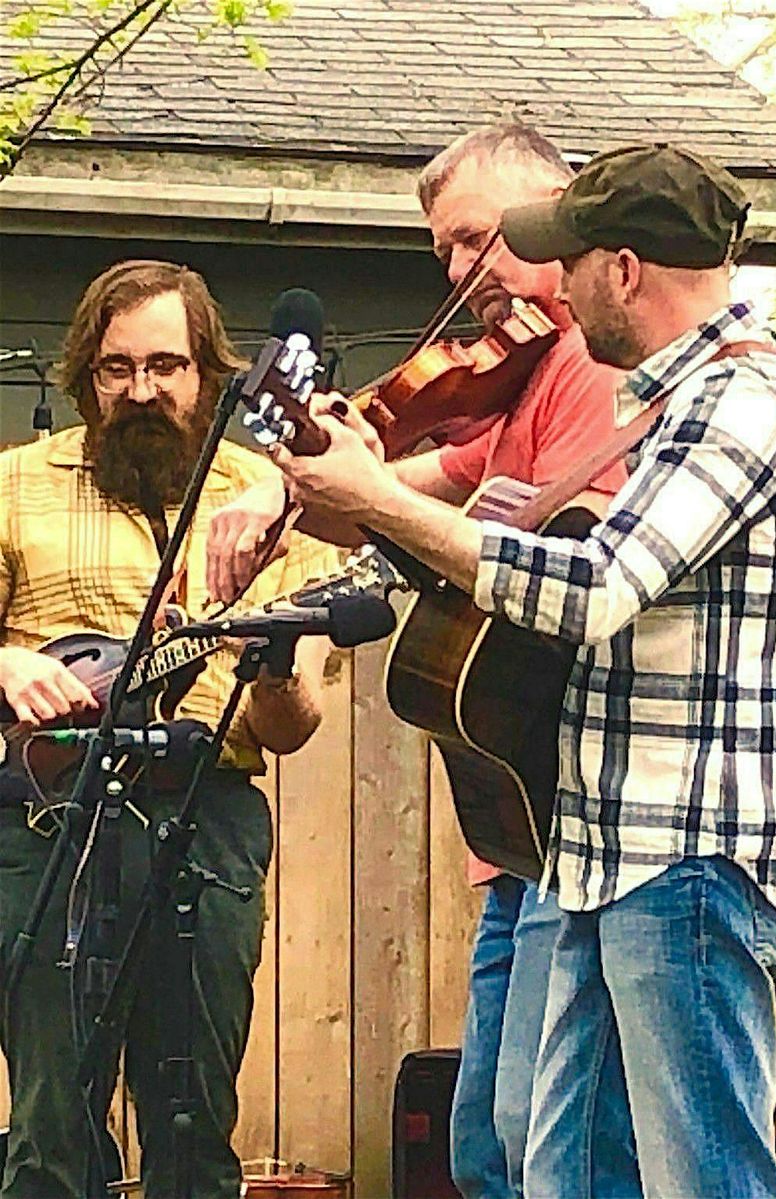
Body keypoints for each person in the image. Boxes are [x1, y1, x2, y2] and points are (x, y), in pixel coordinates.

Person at [251, 142, 776, 1198]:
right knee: (562, 1173)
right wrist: (372, 502)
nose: (557, 287)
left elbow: (596, 588)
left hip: (692, 853)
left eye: (571, 260)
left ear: (624, 268)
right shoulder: (666, 405)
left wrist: (381, 498)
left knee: (707, 1178)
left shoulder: (746, 402)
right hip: (608, 848)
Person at [206, 123, 637, 1199]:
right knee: (486, 1141)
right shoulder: (516, 388)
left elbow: (557, 564)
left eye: (476, 240)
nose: (456, 273)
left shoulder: (588, 367)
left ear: (552, 222)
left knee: (544, 1144)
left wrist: (366, 495)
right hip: (517, 830)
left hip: (574, 812)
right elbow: (390, 497)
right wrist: (286, 483)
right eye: (442, 250)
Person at [0, 259, 339, 1198]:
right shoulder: (15, 483)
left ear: (208, 373)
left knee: (193, 1123)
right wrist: (7, 663)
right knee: (51, 1125)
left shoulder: (270, 500)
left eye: (166, 365)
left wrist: (275, 666)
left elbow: (290, 727)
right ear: (86, 375)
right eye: (117, 368)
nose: (142, 390)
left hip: (204, 819)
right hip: (46, 825)